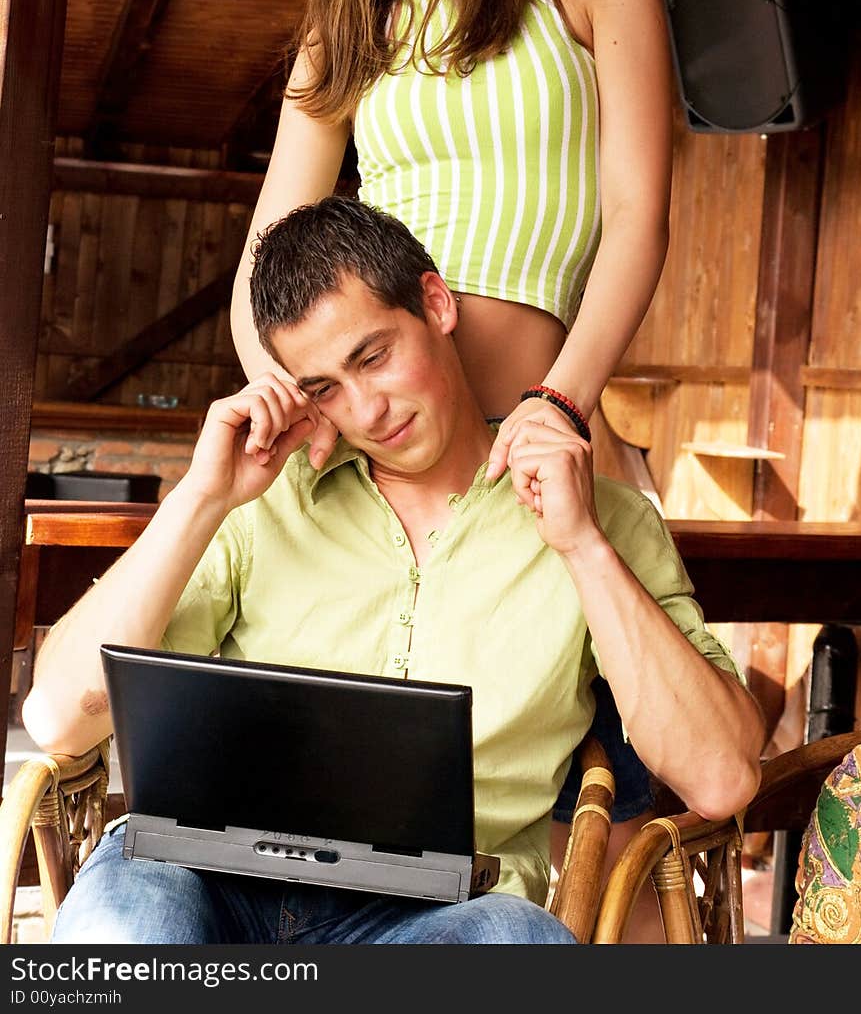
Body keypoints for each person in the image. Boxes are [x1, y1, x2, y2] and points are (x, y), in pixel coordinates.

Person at [24, 198, 764, 947]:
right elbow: (57, 716)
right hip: (201, 877)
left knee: (516, 942)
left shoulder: (603, 517)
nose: (367, 409)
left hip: (440, 917)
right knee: (125, 921)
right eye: (324, 389)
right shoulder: (258, 500)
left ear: (436, 303)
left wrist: (582, 547)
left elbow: (721, 778)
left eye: (373, 356)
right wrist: (202, 496)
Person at [228, 0, 676, 906]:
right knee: (356, 728)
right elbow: (270, 242)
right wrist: (281, 382)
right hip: (376, 449)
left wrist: (557, 402)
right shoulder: (346, 34)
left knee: (633, 787)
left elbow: (636, 218)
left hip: (539, 434)